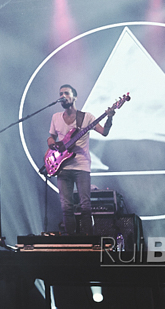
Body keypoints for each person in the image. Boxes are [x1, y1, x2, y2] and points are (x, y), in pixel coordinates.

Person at [47, 84, 113, 235]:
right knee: (66, 207)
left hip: (81, 166)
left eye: (66, 93)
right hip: (62, 167)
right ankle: (71, 241)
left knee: (85, 206)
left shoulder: (86, 117)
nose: (62, 96)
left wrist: (109, 118)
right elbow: (51, 137)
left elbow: (104, 132)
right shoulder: (56, 117)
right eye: (60, 93)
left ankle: (88, 239)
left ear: (74, 97)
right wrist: (51, 143)